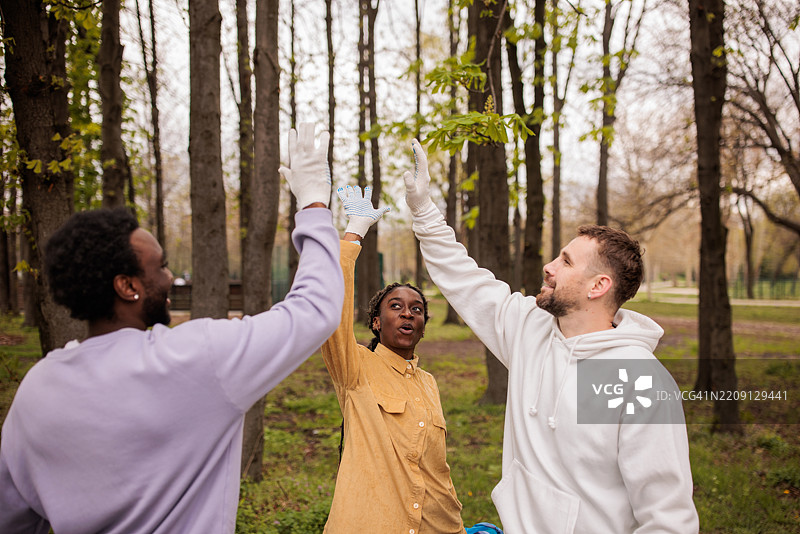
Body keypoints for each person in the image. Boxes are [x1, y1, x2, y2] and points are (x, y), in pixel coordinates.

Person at [0, 123, 343, 533]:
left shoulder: (37, 388)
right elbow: (315, 309)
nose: (169, 278)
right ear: (127, 287)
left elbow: (13, 518)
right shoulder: (197, 358)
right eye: (160, 266)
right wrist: (314, 205)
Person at [401, 139, 700, 534]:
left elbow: (668, 520)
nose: (549, 266)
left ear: (598, 286)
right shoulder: (530, 328)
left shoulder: (636, 378)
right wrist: (424, 212)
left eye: (566, 261)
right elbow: (465, 280)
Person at [322, 185, 503, 534]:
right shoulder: (355, 367)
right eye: (396, 307)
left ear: (423, 326)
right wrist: (354, 234)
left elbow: (437, 472)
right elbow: (332, 315)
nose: (407, 314)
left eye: (416, 310)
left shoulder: (428, 383)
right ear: (376, 322)